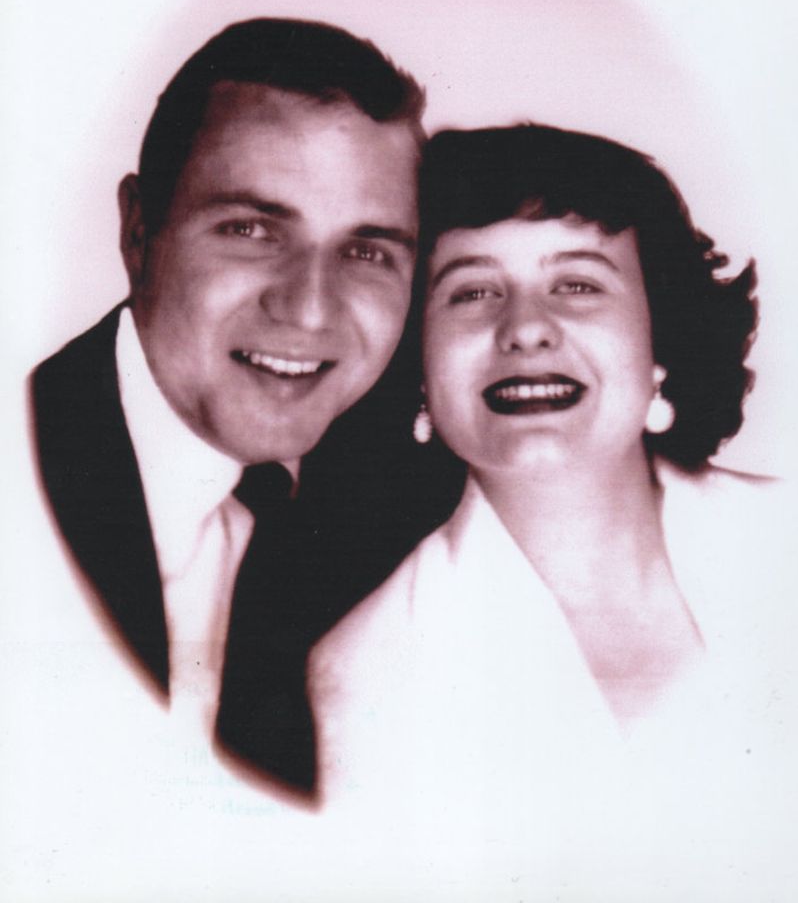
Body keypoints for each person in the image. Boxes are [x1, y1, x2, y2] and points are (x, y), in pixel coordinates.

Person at [310, 124, 797, 888]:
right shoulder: (364, 676)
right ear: (418, 375)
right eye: (471, 292)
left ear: (659, 346)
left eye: (577, 284)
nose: (526, 329)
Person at [30, 18, 463, 801]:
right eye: (253, 230)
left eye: (367, 251)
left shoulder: (418, 505)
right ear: (139, 233)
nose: (309, 308)